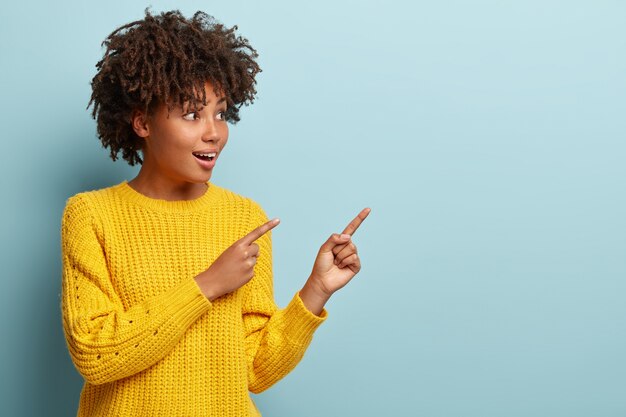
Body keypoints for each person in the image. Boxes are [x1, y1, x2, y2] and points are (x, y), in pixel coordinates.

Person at [60, 8, 370, 417]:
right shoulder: (91, 215)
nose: (214, 132)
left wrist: (317, 289)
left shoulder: (243, 217)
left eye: (220, 113)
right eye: (192, 114)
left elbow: (255, 369)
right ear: (142, 123)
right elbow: (95, 352)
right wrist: (206, 285)